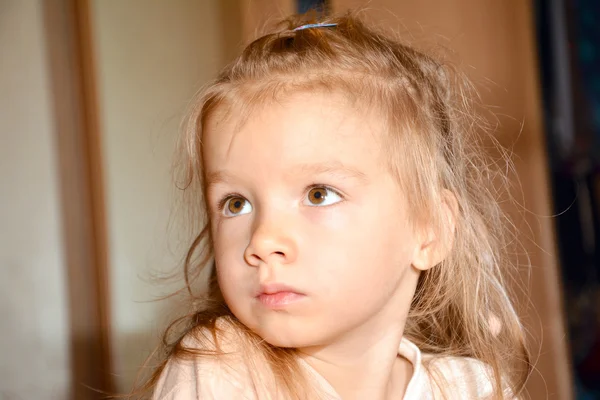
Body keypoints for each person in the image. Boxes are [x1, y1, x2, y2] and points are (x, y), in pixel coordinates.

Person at [141, 10, 531, 400]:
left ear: (429, 228)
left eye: (318, 194)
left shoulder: (470, 388)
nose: (261, 241)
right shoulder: (221, 370)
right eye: (236, 203)